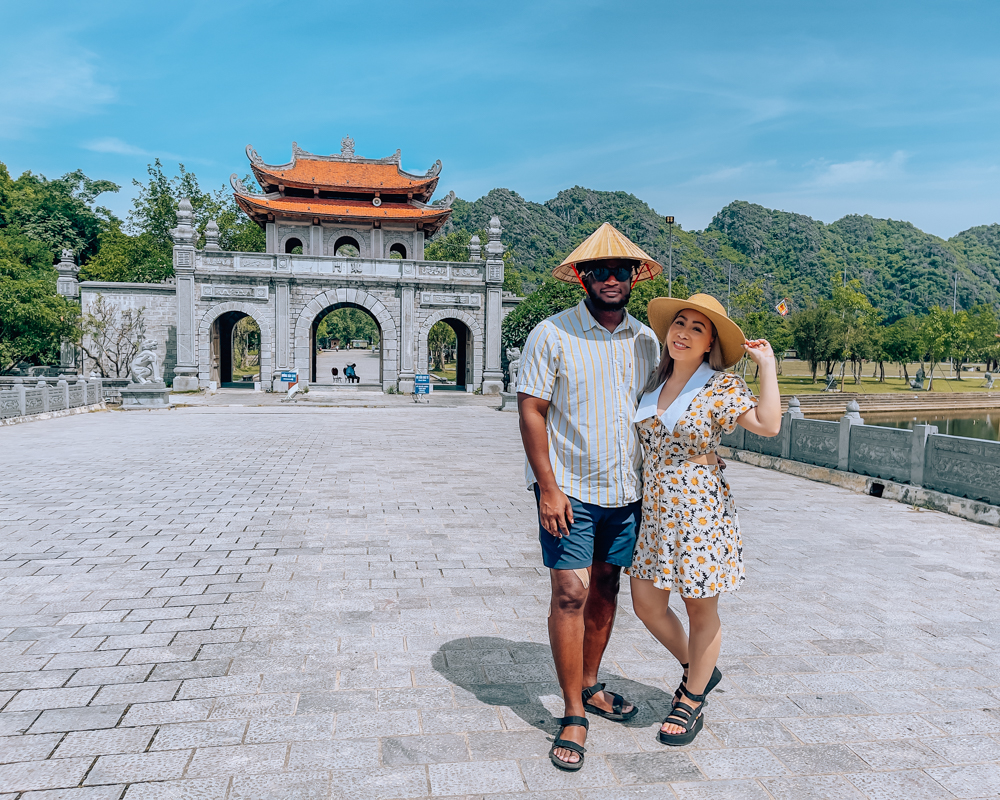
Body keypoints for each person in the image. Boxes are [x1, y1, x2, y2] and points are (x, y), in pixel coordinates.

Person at [516, 223, 663, 771]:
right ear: (581, 276)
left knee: (605, 586)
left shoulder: (646, 340)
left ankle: (592, 682)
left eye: (619, 270)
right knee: (569, 595)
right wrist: (548, 489)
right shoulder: (552, 334)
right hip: (570, 490)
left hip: (626, 490)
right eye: (597, 270)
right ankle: (573, 712)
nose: (609, 279)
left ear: (634, 277)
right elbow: (531, 409)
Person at [626, 293, 780, 746]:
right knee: (646, 604)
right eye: (679, 322)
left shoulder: (721, 386)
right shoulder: (652, 382)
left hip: (698, 511)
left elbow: (769, 424)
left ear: (710, 340)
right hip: (654, 511)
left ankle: (692, 698)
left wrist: (767, 367)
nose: (684, 333)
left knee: (699, 608)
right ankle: (700, 669)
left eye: (697, 327)